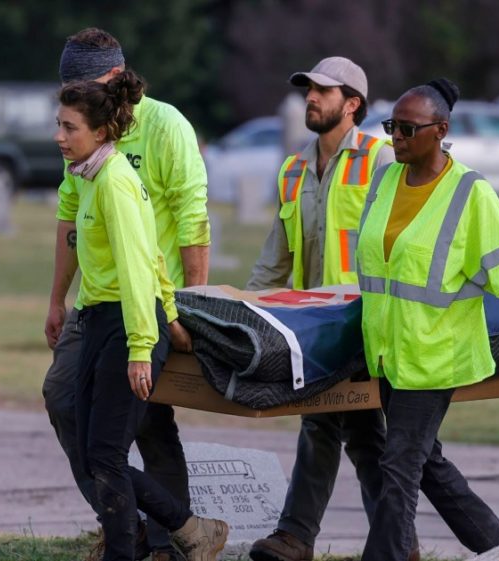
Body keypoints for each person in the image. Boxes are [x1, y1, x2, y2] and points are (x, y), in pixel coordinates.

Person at [355, 78, 499, 561]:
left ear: (440, 131)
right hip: (389, 350)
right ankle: (498, 548)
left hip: (436, 354)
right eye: (392, 126)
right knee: (424, 462)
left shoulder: (469, 193)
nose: (395, 136)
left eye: (407, 128)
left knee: (399, 467)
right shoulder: (385, 180)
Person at [43, 28, 211, 561]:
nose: (73, 107)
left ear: (115, 80)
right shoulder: (84, 143)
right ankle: (122, 520)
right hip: (96, 304)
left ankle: (172, 542)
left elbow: (192, 217)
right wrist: (56, 299)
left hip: (148, 307)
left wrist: (191, 310)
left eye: (86, 88)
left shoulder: (165, 128)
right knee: (65, 401)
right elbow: (71, 219)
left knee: (149, 425)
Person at [245, 56, 402, 561]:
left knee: (327, 422)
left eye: (324, 91)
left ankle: (296, 537)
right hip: (314, 325)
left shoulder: (381, 160)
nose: (311, 97)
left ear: (352, 104)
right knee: (355, 432)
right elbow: (277, 254)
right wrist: (246, 313)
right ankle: (394, 542)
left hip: (363, 322)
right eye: (308, 89)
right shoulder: (293, 168)